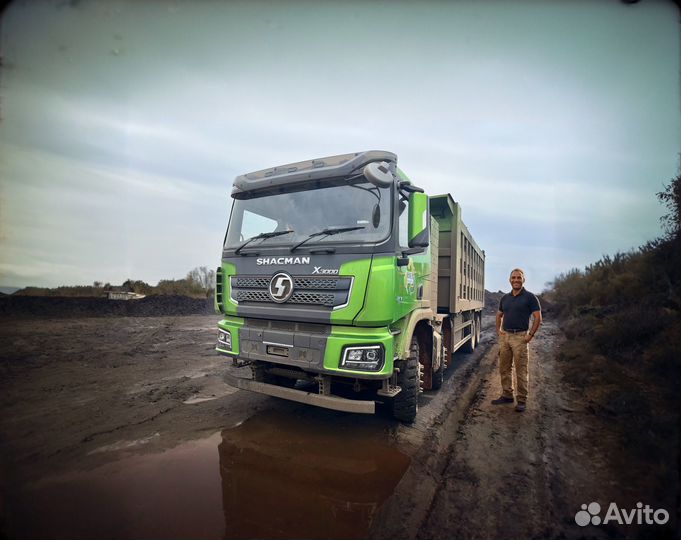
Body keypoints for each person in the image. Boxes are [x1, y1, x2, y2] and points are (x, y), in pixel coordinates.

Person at [491, 268, 542, 412]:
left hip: (520, 337)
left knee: (521, 370)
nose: (516, 280)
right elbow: (499, 314)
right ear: (509, 280)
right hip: (505, 337)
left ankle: (521, 400)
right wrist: (499, 331)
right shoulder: (505, 298)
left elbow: (538, 318)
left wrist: (530, 335)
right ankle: (507, 395)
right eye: (513, 278)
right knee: (504, 368)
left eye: (519, 278)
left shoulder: (530, 297)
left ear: (523, 280)